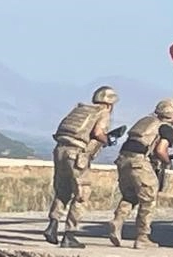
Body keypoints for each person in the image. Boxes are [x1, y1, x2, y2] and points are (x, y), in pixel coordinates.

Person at [45, 85, 119, 247]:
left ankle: (52, 225)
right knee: (81, 194)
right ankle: (70, 234)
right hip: (77, 154)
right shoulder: (103, 112)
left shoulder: (81, 110)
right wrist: (108, 140)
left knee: (62, 191)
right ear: (110, 103)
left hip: (60, 150)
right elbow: (98, 132)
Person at [110, 98, 173, 248]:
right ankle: (142, 237)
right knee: (148, 198)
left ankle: (117, 221)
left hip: (123, 160)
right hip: (139, 163)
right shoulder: (166, 128)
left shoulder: (145, 121)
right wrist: (168, 161)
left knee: (130, 196)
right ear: (172, 115)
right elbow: (161, 150)